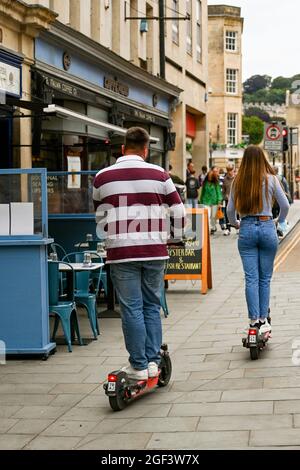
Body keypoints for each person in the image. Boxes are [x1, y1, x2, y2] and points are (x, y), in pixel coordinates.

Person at [93, 127, 186, 380]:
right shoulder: (160, 175)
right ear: (146, 150)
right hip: (155, 251)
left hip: (121, 253)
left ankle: (139, 365)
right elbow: (179, 212)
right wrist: (174, 238)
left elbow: (100, 218)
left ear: (122, 148)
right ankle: (154, 362)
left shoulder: (102, 177)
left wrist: (112, 237)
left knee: (131, 308)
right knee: (151, 306)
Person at [227, 146, 290, 333]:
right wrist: (280, 220)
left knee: (251, 278)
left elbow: (230, 210)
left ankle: (254, 321)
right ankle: (264, 319)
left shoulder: (237, 182)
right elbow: (285, 205)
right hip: (267, 226)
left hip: (246, 228)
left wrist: (236, 224)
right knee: (265, 278)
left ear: (244, 161)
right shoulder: (271, 179)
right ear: (262, 159)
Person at [199, 166, 223, 234]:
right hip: (206, 202)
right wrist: (200, 202)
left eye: (211, 176)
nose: (209, 177)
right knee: (208, 215)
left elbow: (218, 192)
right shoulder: (205, 183)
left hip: (214, 202)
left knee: (213, 217)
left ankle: (213, 227)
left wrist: (219, 200)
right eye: (208, 176)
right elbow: (202, 193)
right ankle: (207, 229)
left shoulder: (216, 183)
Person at [222, 163, 235, 236]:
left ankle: (238, 228)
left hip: (236, 199)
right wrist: (225, 195)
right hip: (228, 199)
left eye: (231, 170)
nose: (229, 172)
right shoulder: (225, 179)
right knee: (227, 213)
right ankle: (228, 228)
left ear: (233, 170)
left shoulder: (237, 178)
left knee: (238, 213)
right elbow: (223, 190)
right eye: (228, 170)